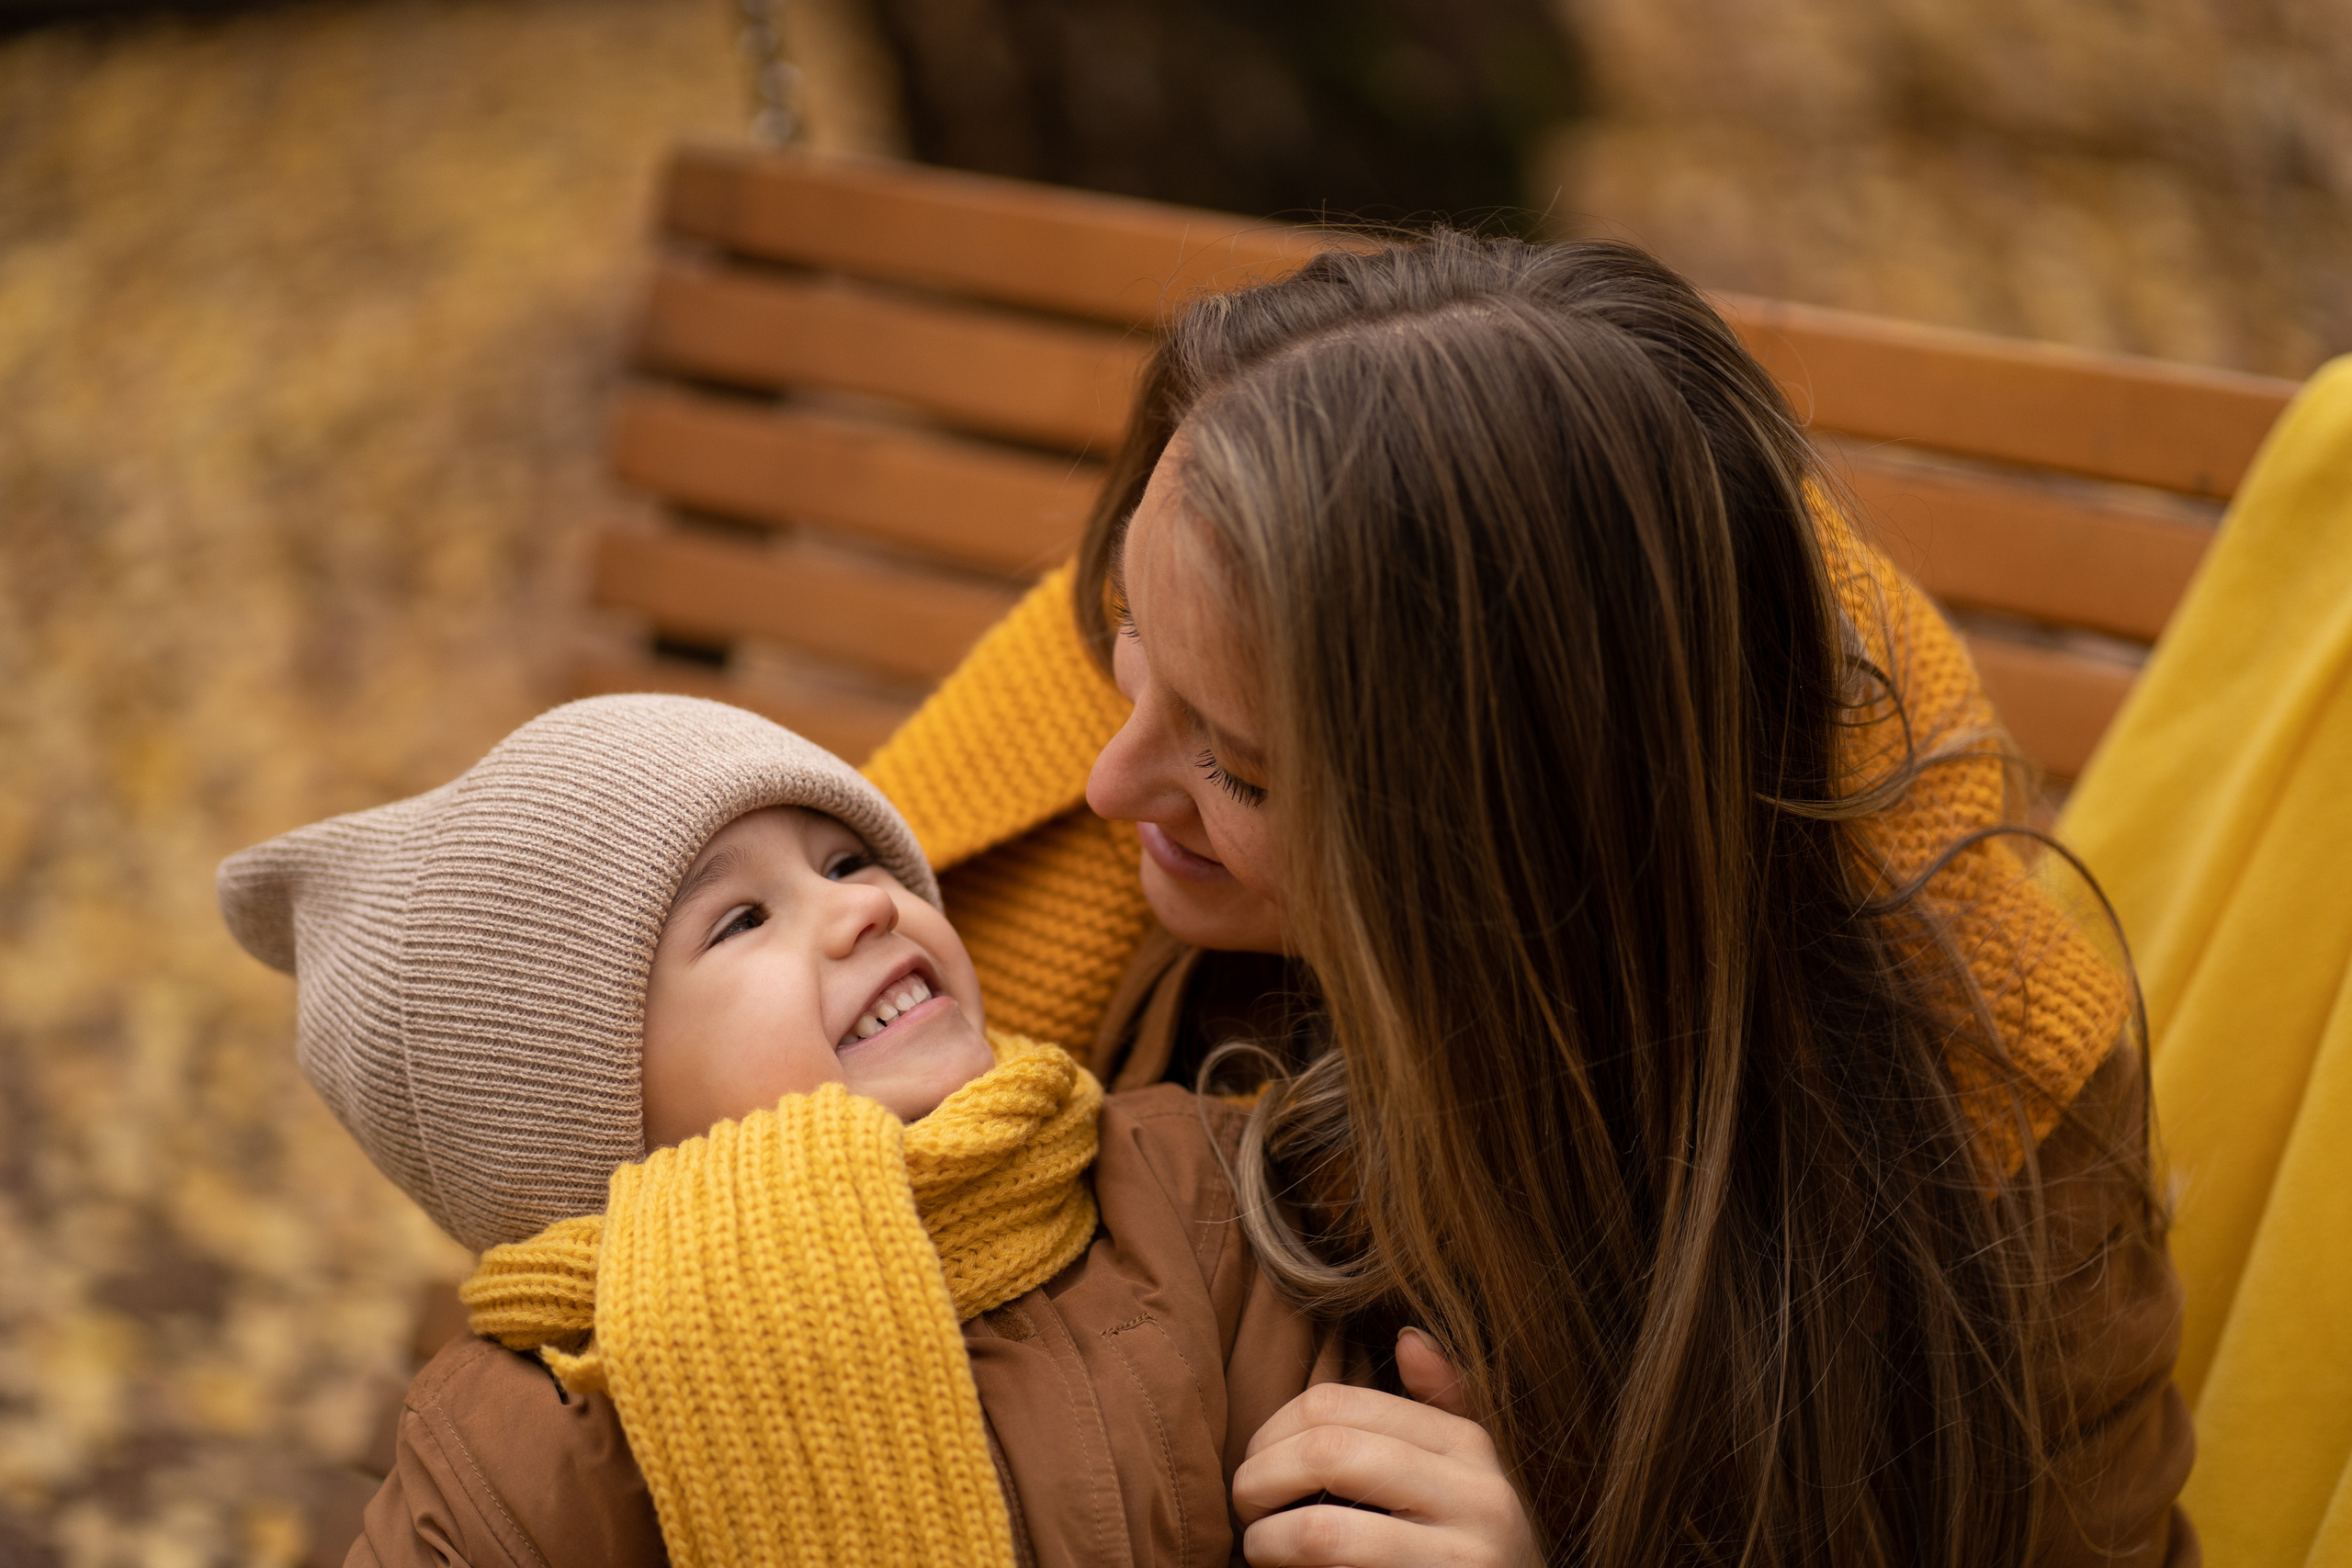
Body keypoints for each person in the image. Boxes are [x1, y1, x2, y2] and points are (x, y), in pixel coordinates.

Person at [862, 232, 2196, 1566]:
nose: (1107, 781)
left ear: (1515, 850)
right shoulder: (1188, 628)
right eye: (1125, 642)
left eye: (1239, 767)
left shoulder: (1989, 1160)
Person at [216, 694, 1326, 1568]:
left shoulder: (1183, 1194)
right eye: (740, 919)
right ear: (589, 1114)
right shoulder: (523, 1445)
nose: (865, 905)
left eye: (848, 861)